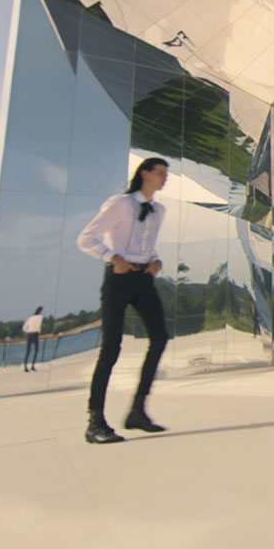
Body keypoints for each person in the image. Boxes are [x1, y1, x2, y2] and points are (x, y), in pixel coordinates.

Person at [75, 158, 173, 443]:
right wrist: (112, 258)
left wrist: (156, 261)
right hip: (119, 279)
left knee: (160, 338)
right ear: (144, 173)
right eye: (160, 173)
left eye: (166, 174)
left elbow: (149, 246)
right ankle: (95, 422)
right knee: (111, 348)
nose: (164, 178)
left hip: (144, 279)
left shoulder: (159, 210)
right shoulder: (120, 204)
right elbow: (86, 238)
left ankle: (137, 411)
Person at [22, 307, 44, 372]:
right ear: (40, 311)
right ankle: (32, 365)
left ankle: (25, 366)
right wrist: (38, 331)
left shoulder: (30, 318)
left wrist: (28, 331)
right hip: (35, 334)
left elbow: (24, 328)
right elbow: (38, 325)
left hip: (29, 335)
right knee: (36, 350)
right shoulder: (40, 317)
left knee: (28, 351)